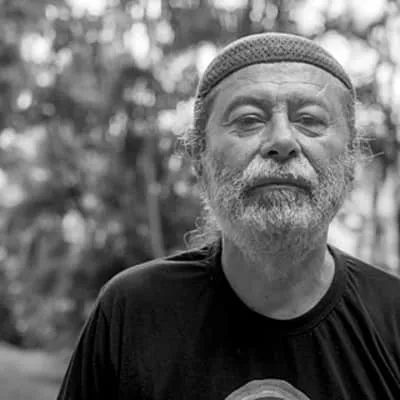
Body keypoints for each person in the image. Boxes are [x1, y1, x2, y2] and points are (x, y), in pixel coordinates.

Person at [57, 33, 400, 400]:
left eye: (310, 120)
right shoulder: (132, 314)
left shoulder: (394, 318)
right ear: (199, 159)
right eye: (249, 120)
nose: (282, 140)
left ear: (351, 159)